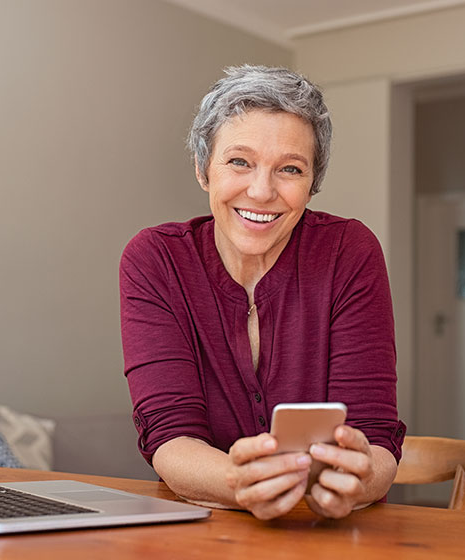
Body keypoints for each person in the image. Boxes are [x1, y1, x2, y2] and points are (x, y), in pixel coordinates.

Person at [119, 65, 405, 520]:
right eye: (239, 161)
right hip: (206, 535)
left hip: (331, 537)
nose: (261, 190)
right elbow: (171, 438)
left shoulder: (349, 252)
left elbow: (375, 438)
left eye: (289, 169)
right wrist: (238, 484)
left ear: (312, 183)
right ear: (202, 169)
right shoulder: (156, 260)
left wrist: (361, 479)